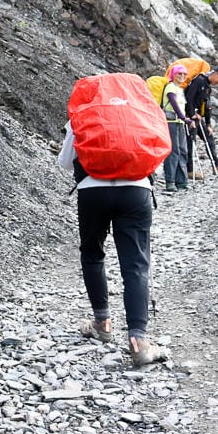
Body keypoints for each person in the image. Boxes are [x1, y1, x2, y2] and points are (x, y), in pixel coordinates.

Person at [58, 123, 169, 366]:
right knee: (136, 265)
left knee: (92, 253)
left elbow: (65, 162)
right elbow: (157, 161)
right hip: (136, 189)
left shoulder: (84, 111)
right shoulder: (138, 110)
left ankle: (102, 323)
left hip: (92, 190)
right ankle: (139, 341)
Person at [184, 65, 218, 176]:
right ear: (215, 74)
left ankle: (217, 164)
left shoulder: (207, 87)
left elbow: (207, 106)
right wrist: (192, 114)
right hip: (190, 118)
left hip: (198, 118)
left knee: (209, 137)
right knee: (191, 142)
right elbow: (189, 98)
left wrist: (209, 124)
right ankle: (189, 170)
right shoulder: (198, 81)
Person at [160, 64, 192, 192]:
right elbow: (174, 105)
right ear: (173, 75)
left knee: (182, 151)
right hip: (171, 122)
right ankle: (170, 182)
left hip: (180, 123)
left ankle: (182, 181)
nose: (182, 76)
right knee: (173, 152)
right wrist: (184, 118)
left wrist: (185, 119)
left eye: (184, 74)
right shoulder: (170, 87)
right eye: (180, 74)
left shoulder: (180, 89)